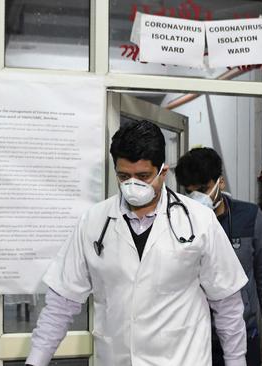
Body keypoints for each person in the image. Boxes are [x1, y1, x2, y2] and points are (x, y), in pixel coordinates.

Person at [26, 121, 249, 366]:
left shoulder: (199, 221)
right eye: (124, 176)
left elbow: (227, 305)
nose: (132, 184)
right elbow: (61, 304)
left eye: (143, 176)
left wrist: (236, 362)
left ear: (163, 171)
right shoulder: (93, 222)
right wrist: (35, 361)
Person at [175, 147, 262, 366]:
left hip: (243, 332)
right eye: (189, 192)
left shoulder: (249, 216)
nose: (197, 198)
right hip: (193, 338)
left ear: (220, 182)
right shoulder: (178, 222)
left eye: (203, 189)